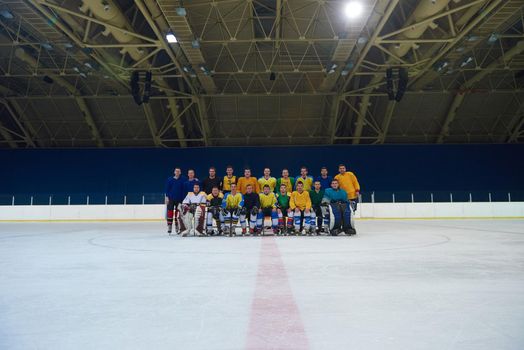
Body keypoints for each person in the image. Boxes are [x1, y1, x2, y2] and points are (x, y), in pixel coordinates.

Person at [164, 167, 186, 234]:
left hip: (179, 199)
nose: (177, 172)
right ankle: (169, 226)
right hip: (171, 199)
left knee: (178, 213)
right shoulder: (170, 179)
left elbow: (187, 184)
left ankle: (177, 226)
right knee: (170, 212)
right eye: (176, 171)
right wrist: (166, 197)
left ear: (180, 172)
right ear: (174, 172)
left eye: (179, 171)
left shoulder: (183, 179)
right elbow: (167, 189)